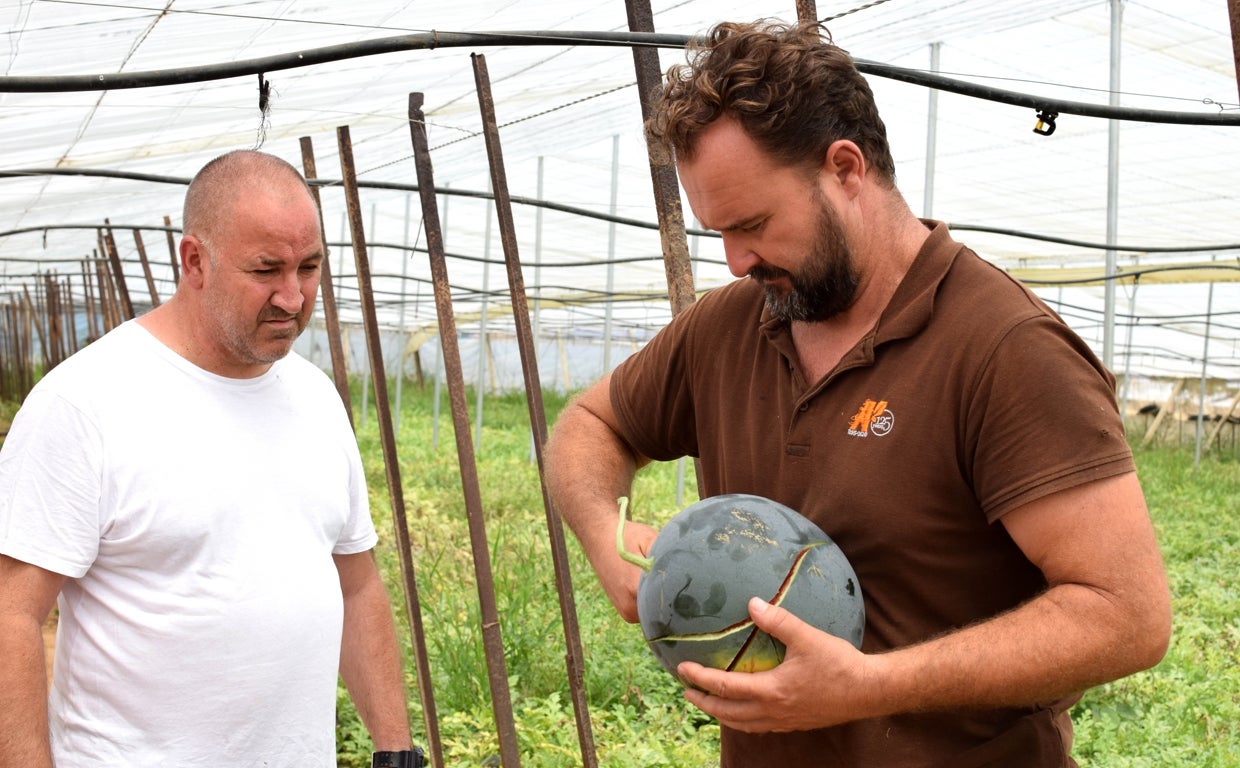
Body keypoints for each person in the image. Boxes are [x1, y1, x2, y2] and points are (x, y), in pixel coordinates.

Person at [544, 20, 1171, 768]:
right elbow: (592, 422)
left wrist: (870, 686)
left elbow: (1127, 616)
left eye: (753, 224)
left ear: (846, 169)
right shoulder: (730, 324)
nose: (738, 259)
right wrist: (603, 540)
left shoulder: (1004, 349)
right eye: (719, 233)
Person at [0, 150, 423, 768]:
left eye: (309, 267)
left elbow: (354, 584)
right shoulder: (85, 402)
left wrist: (395, 751)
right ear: (194, 261)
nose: (292, 296)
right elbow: (13, 611)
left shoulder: (315, 396)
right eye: (266, 270)